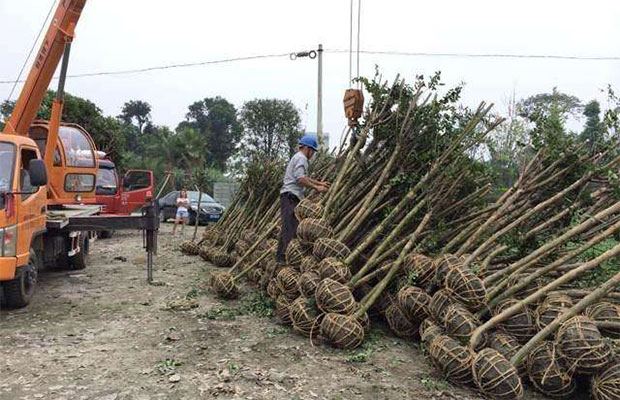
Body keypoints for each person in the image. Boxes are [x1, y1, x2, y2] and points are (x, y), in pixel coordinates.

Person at [276, 135, 330, 263]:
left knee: (288, 227)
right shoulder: (302, 158)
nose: (312, 154)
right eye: (312, 151)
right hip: (291, 197)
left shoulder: (298, 157)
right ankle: (285, 258)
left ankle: (281, 257)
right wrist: (317, 189)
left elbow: (303, 177)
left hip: (289, 196)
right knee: (291, 228)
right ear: (307, 148)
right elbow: (300, 179)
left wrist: (319, 183)